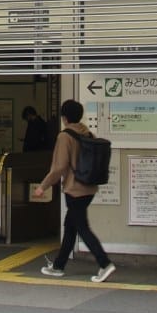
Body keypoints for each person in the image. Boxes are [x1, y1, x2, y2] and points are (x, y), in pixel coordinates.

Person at [34, 99, 116, 282]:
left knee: (81, 227)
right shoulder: (86, 132)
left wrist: (43, 186)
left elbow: (59, 167)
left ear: (64, 117)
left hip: (74, 189)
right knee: (70, 227)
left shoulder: (65, 136)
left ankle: (105, 263)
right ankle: (58, 266)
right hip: (89, 187)